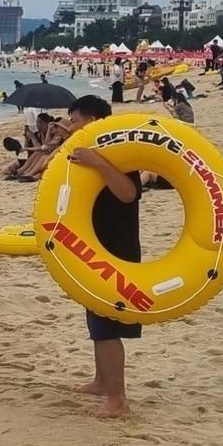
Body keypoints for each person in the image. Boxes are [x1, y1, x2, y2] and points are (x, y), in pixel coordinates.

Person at [63, 94, 140, 419]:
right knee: (95, 320)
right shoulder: (86, 157)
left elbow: (128, 193)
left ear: (93, 121)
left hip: (116, 248)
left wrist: (98, 162)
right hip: (93, 244)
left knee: (106, 326)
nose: (70, 127)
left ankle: (117, 399)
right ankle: (101, 381)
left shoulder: (119, 155)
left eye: (75, 121)